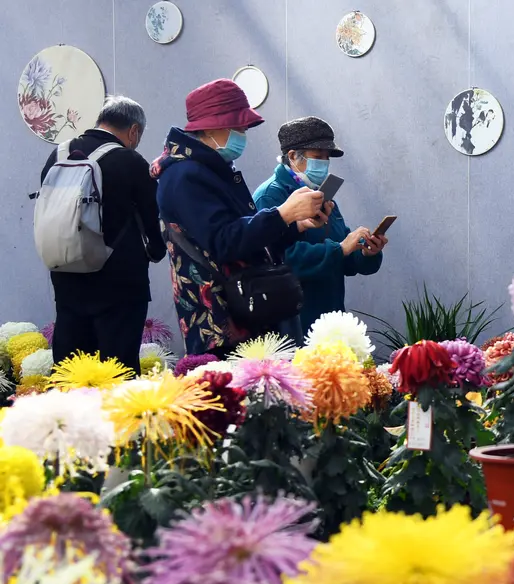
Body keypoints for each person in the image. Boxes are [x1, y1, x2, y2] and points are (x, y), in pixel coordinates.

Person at [152, 79, 327, 356]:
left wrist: (297, 225)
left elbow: (249, 239)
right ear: (210, 127)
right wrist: (283, 213)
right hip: (219, 322)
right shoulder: (184, 176)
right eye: (239, 126)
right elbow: (225, 241)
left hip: (245, 312)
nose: (243, 133)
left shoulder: (210, 170)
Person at [38, 96, 166, 373]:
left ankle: (67, 417)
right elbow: (151, 217)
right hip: (119, 283)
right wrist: (156, 251)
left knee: (71, 369)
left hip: (66, 275)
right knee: (118, 371)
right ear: (134, 131)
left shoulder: (59, 154)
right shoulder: (130, 161)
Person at [254, 117, 385, 333]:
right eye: (318, 156)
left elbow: (345, 257)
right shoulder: (270, 195)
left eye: (327, 158)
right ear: (293, 156)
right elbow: (280, 258)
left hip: (330, 320)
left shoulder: (320, 195)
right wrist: (340, 249)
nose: (324, 164)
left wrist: (366, 252)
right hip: (293, 323)